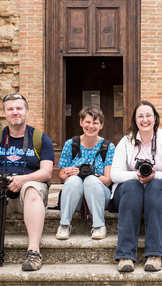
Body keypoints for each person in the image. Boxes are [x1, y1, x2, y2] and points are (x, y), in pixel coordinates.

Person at [111, 100, 162, 272]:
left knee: (156, 184)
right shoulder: (126, 141)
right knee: (133, 186)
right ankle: (126, 255)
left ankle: (154, 254)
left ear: (155, 118)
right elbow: (114, 174)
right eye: (140, 116)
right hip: (131, 194)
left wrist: (155, 175)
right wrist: (135, 176)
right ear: (135, 120)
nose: (145, 120)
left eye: (148, 115)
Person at [0, 93, 54, 271]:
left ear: (27, 111)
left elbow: (47, 172)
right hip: (3, 196)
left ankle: (34, 252)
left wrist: (24, 179)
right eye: (10, 109)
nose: (15, 112)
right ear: (5, 113)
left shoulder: (40, 138)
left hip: (29, 195)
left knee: (31, 188)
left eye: (19, 108)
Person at [56, 106, 115, 240]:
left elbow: (108, 179)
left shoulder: (108, 147)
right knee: (73, 180)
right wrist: (70, 173)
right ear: (81, 122)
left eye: (95, 123)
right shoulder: (71, 144)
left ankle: (99, 226)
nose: (91, 126)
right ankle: (64, 225)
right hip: (76, 198)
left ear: (101, 125)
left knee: (91, 180)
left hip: (99, 197)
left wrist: (92, 177)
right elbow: (61, 175)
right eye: (87, 122)